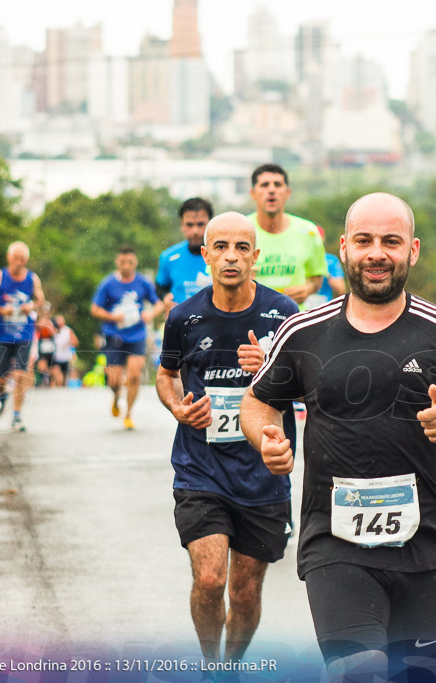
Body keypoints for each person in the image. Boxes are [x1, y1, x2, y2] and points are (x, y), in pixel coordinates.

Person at [240, 193, 436, 681]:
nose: (376, 253)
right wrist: (265, 438)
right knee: (361, 670)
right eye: (364, 241)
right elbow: (259, 400)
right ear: (344, 249)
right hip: (334, 542)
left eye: (390, 242)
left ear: (412, 251)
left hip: (425, 546)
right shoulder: (303, 333)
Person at [155, 212, 299, 666]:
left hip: (263, 475)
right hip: (201, 469)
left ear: (256, 257)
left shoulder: (284, 315)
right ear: (206, 255)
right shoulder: (184, 317)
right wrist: (177, 407)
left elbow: (308, 387)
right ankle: (211, 666)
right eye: (221, 247)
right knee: (212, 579)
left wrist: (272, 367)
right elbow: (166, 375)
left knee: (245, 590)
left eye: (241, 248)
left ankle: (231, 667)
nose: (231, 257)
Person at [91, 246, 164, 430]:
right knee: (114, 379)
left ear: (135, 262)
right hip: (114, 335)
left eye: (130, 262)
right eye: (123, 262)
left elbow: (159, 304)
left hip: (137, 335)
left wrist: (150, 314)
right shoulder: (108, 284)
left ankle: (129, 414)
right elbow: (94, 309)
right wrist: (112, 317)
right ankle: (116, 397)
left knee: (134, 375)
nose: (126, 266)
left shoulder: (143, 282)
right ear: (117, 262)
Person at [0, 241, 45, 433]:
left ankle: (17, 416)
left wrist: (31, 306)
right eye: (15, 258)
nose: (19, 262)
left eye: (23, 259)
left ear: (27, 260)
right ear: (9, 258)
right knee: (0, 379)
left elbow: (40, 299)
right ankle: (1, 397)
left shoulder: (32, 279)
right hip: (1, 334)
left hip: (24, 334)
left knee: (20, 374)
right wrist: (3, 310)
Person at [247, 163, 328, 310]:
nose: (271, 190)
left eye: (277, 185)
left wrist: (308, 288)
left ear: (287, 192)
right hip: (252, 321)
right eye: (265, 185)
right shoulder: (241, 230)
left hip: (295, 321)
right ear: (253, 193)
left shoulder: (308, 232)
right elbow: (216, 278)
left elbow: (316, 278)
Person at [157, 197, 214, 306]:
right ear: (182, 224)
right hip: (181, 321)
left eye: (201, 224)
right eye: (190, 225)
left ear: (210, 224)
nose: (195, 231)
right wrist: (165, 297)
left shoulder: (222, 256)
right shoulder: (169, 257)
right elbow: (160, 287)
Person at [304, 226, 347, 310]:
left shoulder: (330, 261)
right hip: (322, 308)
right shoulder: (330, 260)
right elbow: (341, 289)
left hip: (321, 307)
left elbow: (340, 288)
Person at [50, 315, 79, 388]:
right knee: (56, 373)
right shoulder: (53, 330)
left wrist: (69, 344)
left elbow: (76, 342)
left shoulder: (68, 330)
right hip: (57, 356)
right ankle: (57, 385)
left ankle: (62, 388)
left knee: (64, 376)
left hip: (66, 357)